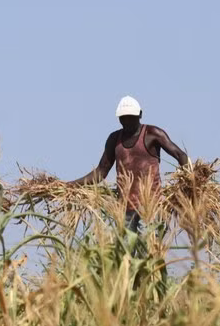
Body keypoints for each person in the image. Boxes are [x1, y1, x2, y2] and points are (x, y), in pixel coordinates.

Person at [68, 96, 189, 233]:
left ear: (140, 115)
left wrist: (189, 184)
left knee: (151, 249)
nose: (127, 121)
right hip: (126, 208)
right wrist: (69, 185)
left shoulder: (153, 134)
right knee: (126, 251)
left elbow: (180, 155)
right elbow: (101, 172)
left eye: (131, 117)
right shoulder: (114, 139)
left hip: (152, 206)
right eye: (123, 117)